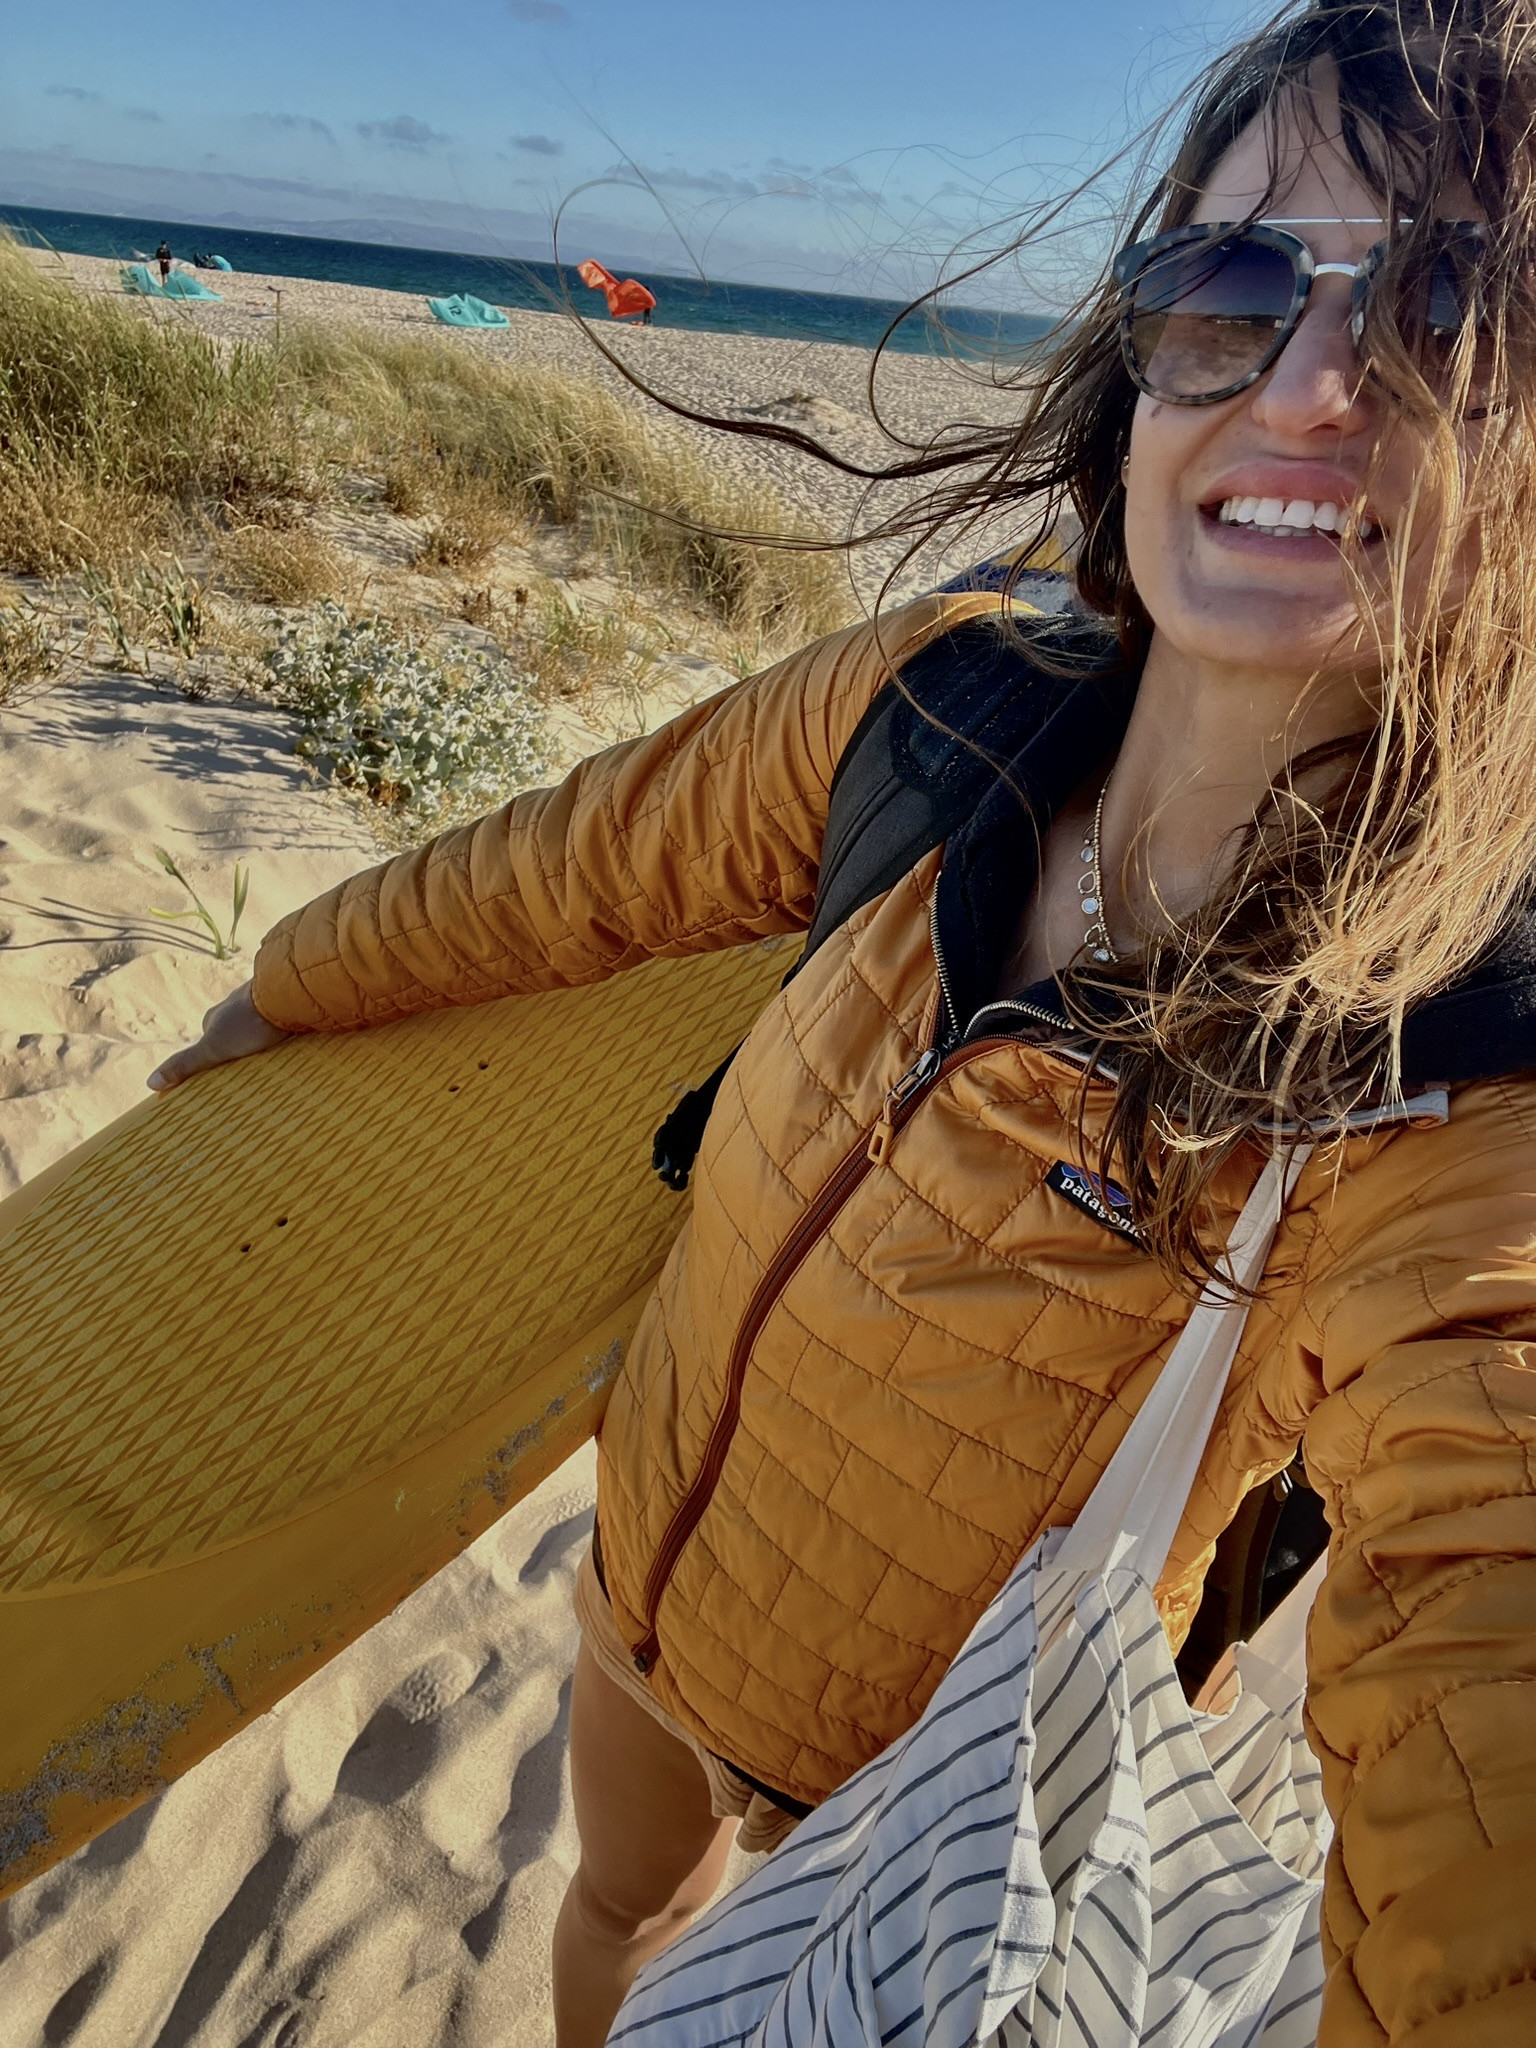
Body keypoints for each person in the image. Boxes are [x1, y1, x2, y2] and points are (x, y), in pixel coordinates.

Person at [150, 1, 1536, 2041]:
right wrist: (287, 984)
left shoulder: (1450, 1090)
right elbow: (575, 865)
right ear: (1142, 367)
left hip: (946, 1813)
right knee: (620, 1915)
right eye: (1236, 287)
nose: (1311, 384)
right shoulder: (929, 713)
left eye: (1449, 311)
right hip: (655, 1569)